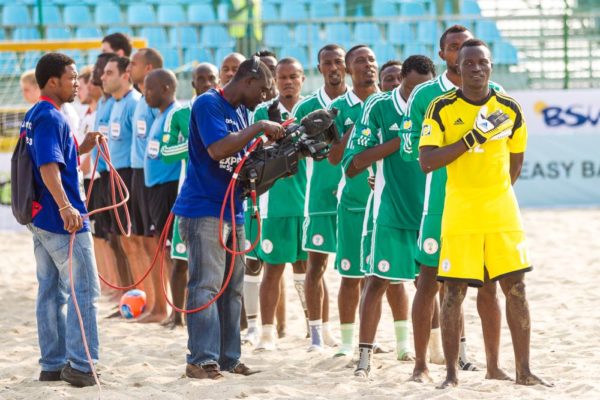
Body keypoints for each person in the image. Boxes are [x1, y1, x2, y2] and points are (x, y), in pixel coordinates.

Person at [418, 38, 551, 389]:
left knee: (517, 289)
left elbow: (516, 160)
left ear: (491, 66)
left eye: (484, 62)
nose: (477, 68)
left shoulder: (509, 107)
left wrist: (496, 193)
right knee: (454, 293)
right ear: (458, 69)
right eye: (470, 63)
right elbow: (427, 162)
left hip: (501, 212)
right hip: (460, 212)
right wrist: (472, 138)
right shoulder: (440, 108)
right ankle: (449, 375)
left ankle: (523, 372)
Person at [172, 57, 283, 379]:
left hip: (233, 208)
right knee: (206, 286)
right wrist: (260, 127)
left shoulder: (243, 112)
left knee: (231, 288)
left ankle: (228, 358)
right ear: (246, 80)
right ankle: (201, 360)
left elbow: (244, 162)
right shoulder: (208, 104)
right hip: (203, 209)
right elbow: (218, 150)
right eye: (261, 90)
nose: (263, 97)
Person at [405, 25, 505, 380]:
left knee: (488, 283)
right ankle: (420, 364)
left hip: (483, 204)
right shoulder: (426, 97)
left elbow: (509, 154)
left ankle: (491, 366)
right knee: (429, 280)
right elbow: (414, 151)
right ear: (444, 54)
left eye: (468, 47)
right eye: (454, 47)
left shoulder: (498, 95)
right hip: (439, 202)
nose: (463, 53)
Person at [346, 55, 435, 377]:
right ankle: (364, 359)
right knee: (376, 281)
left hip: (430, 211)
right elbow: (355, 162)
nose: (416, 96)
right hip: (389, 211)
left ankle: (441, 353)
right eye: (408, 88)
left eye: (422, 89)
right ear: (400, 83)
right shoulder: (379, 107)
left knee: (431, 284)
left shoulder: (440, 105)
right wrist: (401, 140)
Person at [23, 52, 102, 387]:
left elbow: (56, 156)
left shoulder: (38, 114)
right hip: (62, 220)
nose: (76, 83)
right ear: (52, 81)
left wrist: (81, 147)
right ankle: (82, 365)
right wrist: (68, 207)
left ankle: (52, 364)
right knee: (84, 289)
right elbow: (47, 167)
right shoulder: (51, 117)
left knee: (51, 291)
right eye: (71, 77)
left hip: (42, 217)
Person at [327, 45, 410, 359]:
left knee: (394, 277)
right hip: (353, 202)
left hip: (387, 203)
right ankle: (349, 344)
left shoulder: (391, 102)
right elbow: (335, 159)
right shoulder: (338, 107)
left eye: (371, 59)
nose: (367, 65)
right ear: (349, 70)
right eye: (359, 61)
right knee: (350, 275)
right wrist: (352, 134)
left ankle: (403, 344)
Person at [291, 44, 347, 352]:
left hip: (354, 197)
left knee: (360, 271)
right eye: (327, 63)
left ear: (346, 65)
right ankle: (316, 336)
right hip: (318, 198)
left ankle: (357, 335)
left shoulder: (359, 104)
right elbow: (295, 151)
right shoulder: (307, 107)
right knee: (315, 266)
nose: (334, 67)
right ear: (320, 68)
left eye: (338, 61)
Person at [252, 58, 309, 350]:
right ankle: (266, 332)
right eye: (282, 77)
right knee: (272, 269)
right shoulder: (263, 113)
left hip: (305, 203)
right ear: (275, 79)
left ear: (302, 79)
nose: (288, 81)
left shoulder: (311, 109)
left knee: (308, 268)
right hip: (273, 203)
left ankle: (315, 330)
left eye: (293, 76)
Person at [159, 62, 219, 328]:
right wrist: (197, 143)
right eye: (201, 79)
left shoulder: (223, 111)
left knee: (220, 262)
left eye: (211, 79)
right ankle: (177, 316)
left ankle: (218, 316)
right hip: (190, 196)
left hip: (219, 195)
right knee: (180, 259)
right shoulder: (180, 114)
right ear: (193, 83)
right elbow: (165, 152)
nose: (206, 83)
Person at [101, 55, 142, 298]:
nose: (103, 77)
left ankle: (140, 294)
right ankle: (128, 293)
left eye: (109, 73)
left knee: (133, 238)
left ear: (125, 75)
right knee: (120, 238)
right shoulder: (116, 103)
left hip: (128, 174)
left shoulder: (133, 103)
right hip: (112, 173)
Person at [129, 48, 165, 320]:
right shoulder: (142, 100)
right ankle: (154, 303)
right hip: (138, 175)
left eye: (134, 63)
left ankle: (163, 306)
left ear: (149, 67)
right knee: (143, 241)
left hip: (154, 178)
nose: (129, 67)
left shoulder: (156, 104)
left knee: (157, 244)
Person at [20, 69, 80, 138]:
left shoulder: (60, 108)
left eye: (26, 90)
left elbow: (72, 139)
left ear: (39, 87)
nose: (23, 94)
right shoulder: (32, 110)